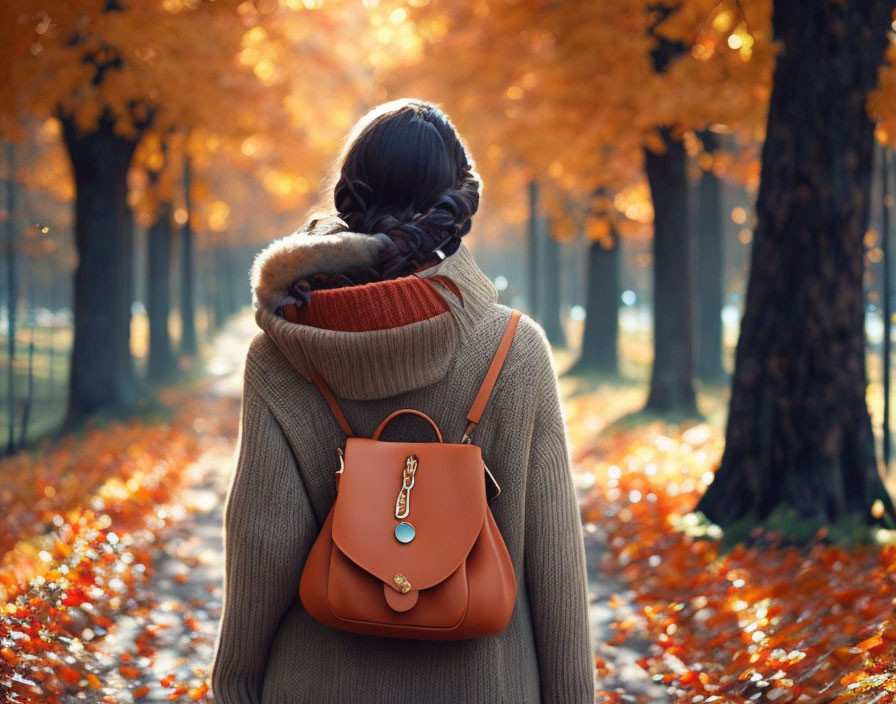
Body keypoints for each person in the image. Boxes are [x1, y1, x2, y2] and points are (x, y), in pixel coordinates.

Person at [208, 97, 595, 703]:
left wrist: (235, 685)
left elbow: (263, 545)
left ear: (349, 195)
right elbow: (555, 567)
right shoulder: (516, 351)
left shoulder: (282, 355)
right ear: (456, 208)